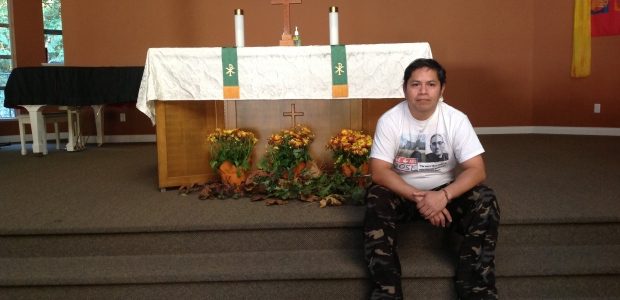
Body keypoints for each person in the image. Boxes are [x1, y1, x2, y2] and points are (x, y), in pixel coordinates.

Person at [364, 58, 500, 299]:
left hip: (444, 192)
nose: (423, 91)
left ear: (442, 89)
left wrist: (443, 196)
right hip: (403, 193)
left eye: (431, 84)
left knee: (485, 199)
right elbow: (379, 170)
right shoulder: (390, 120)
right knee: (376, 196)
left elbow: (477, 169)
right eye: (415, 84)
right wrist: (422, 198)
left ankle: (476, 288)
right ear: (404, 88)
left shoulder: (456, 119)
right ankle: (387, 292)